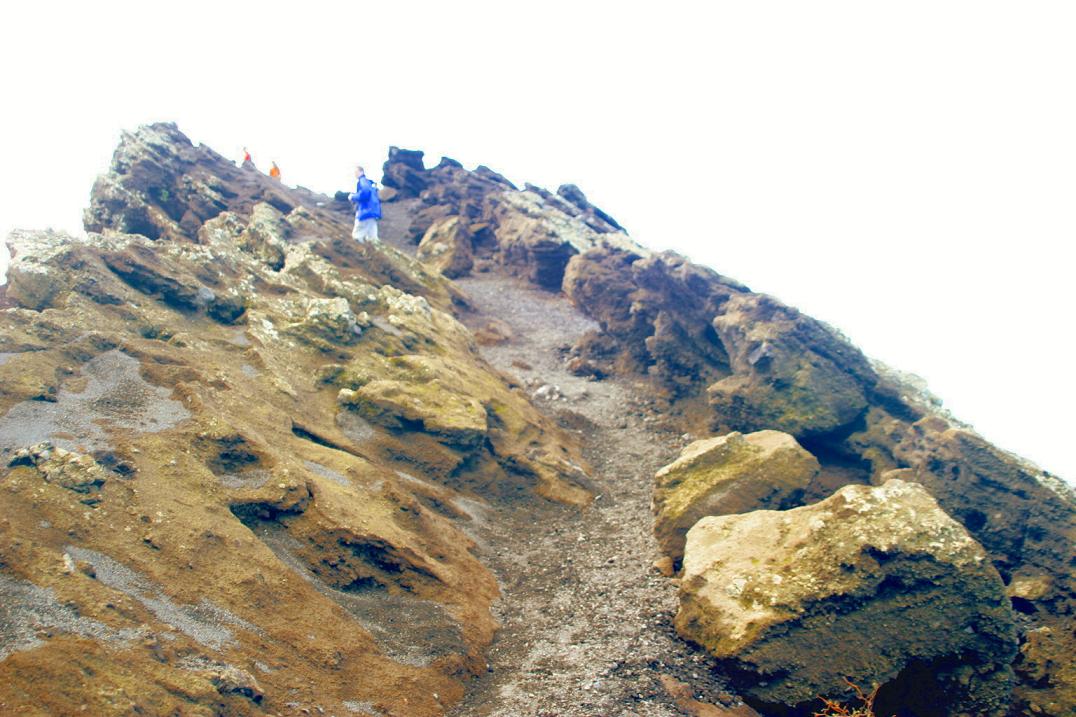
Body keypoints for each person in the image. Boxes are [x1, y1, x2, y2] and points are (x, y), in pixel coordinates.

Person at [348, 166, 381, 243]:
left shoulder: (363, 181)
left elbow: (365, 194)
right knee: (372, 236)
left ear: (361, 172)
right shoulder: (369, 183)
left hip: (366, 211)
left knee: (357, 233)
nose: (355, 174)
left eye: (356, 172)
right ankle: (374, 250)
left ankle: (358, 250)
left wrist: (353, 196)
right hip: (373, 211)